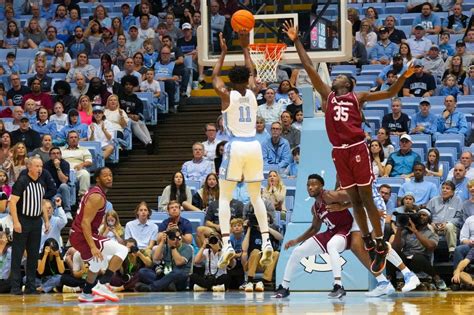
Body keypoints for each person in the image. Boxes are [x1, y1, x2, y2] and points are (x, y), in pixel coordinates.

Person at [283, 20, 415, 273]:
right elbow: (309, 67)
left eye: (341, 76)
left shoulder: (358, 97)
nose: (336, 76)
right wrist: (296, 40)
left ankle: (378, 242)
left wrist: (402, 77)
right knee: (354, 200)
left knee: (365, 198)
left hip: (356, 148)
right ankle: (368, 241)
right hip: (339, 151)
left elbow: (389, 94)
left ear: (348, 84)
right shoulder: (328, 95)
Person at [211, 31, 274, 270]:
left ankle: (227, 244)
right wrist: (245, 47)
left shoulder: (227, 95)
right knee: (256, 196)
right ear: (247, 78)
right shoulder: (253, 93)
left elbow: (215, 76)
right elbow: (252, 71)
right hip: (254, 146)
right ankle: (267, 240)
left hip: (236, 145)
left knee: (225, 197)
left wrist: (225, 52)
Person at [274, 174, 353, 298]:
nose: (310, 187)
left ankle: (338, 286)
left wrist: (343, 206)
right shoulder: (315, 208)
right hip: (331, 232)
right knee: (297, 251)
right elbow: (314, 229)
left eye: (314, 184)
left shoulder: (329, 196)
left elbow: (357, 198)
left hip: (347, 229)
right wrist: (296, 240)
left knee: (332, 246)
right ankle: (284, 287)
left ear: (321, 186)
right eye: (308, 185)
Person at [69, 167, 128, 302]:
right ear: (97, 179)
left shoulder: (95, 193)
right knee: (123, 249)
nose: (109, 178)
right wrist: (93, 246)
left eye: (111, 175)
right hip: (82, 234)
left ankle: (86, 292)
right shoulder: (97, 196)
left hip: (77, 235)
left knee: (97, 261)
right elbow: (85, 223)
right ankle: (103, 283)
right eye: (105, 175)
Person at [9, 157, 52, 295]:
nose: (40, 168)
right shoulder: (22, 182)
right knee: (17, 255)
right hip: (23, 220)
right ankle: (15, 287)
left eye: (41, 166)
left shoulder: (41, 183)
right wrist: (16, 222)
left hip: (36, 221)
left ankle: (30, 286)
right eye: (37, 166)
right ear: (29, 167)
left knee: (33, 255)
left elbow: (42, 203)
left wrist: (46, 221)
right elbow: (12, 203)